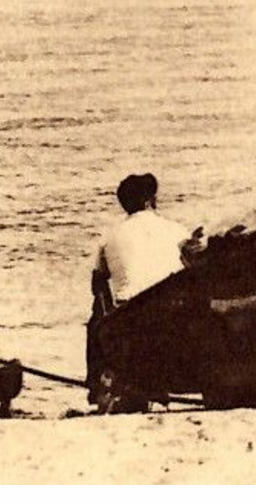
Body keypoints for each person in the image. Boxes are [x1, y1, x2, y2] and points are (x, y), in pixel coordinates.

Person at [86, 173, 191, 410]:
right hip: (175, 315)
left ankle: (96, 387)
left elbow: (98, 285)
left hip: (129, 319)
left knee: (95, 315)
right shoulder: (177, 230)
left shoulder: (109, 236)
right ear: (150, 201)